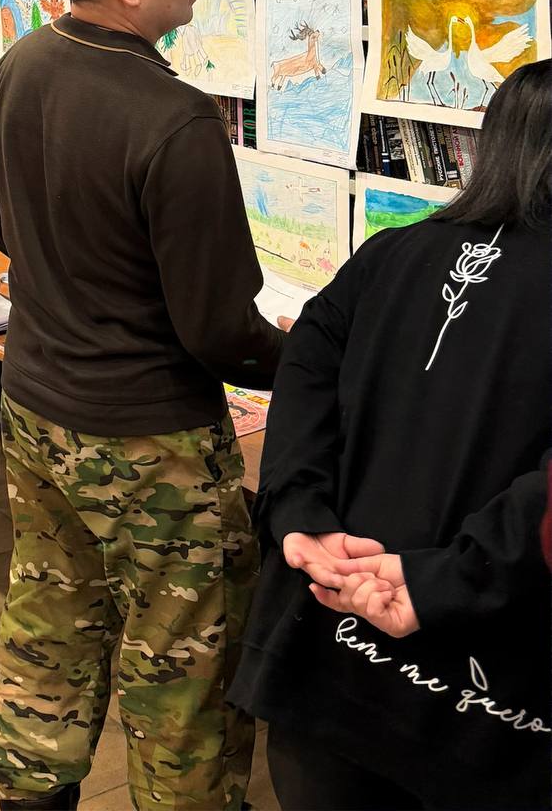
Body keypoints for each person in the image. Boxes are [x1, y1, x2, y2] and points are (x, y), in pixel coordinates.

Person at [0, 0, 286, 810]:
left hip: (35, 405)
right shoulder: (175, 116)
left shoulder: (23, 63)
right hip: (148, 439)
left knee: (51, 613)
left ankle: (29, 789)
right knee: (183, 667)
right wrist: (308, 362)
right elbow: (218, 330)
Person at [229, 60, 551, 811]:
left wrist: (299, 515)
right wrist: (447, 578)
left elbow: (304, 360)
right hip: (479, 710)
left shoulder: (391, 252)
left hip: (327, 652)